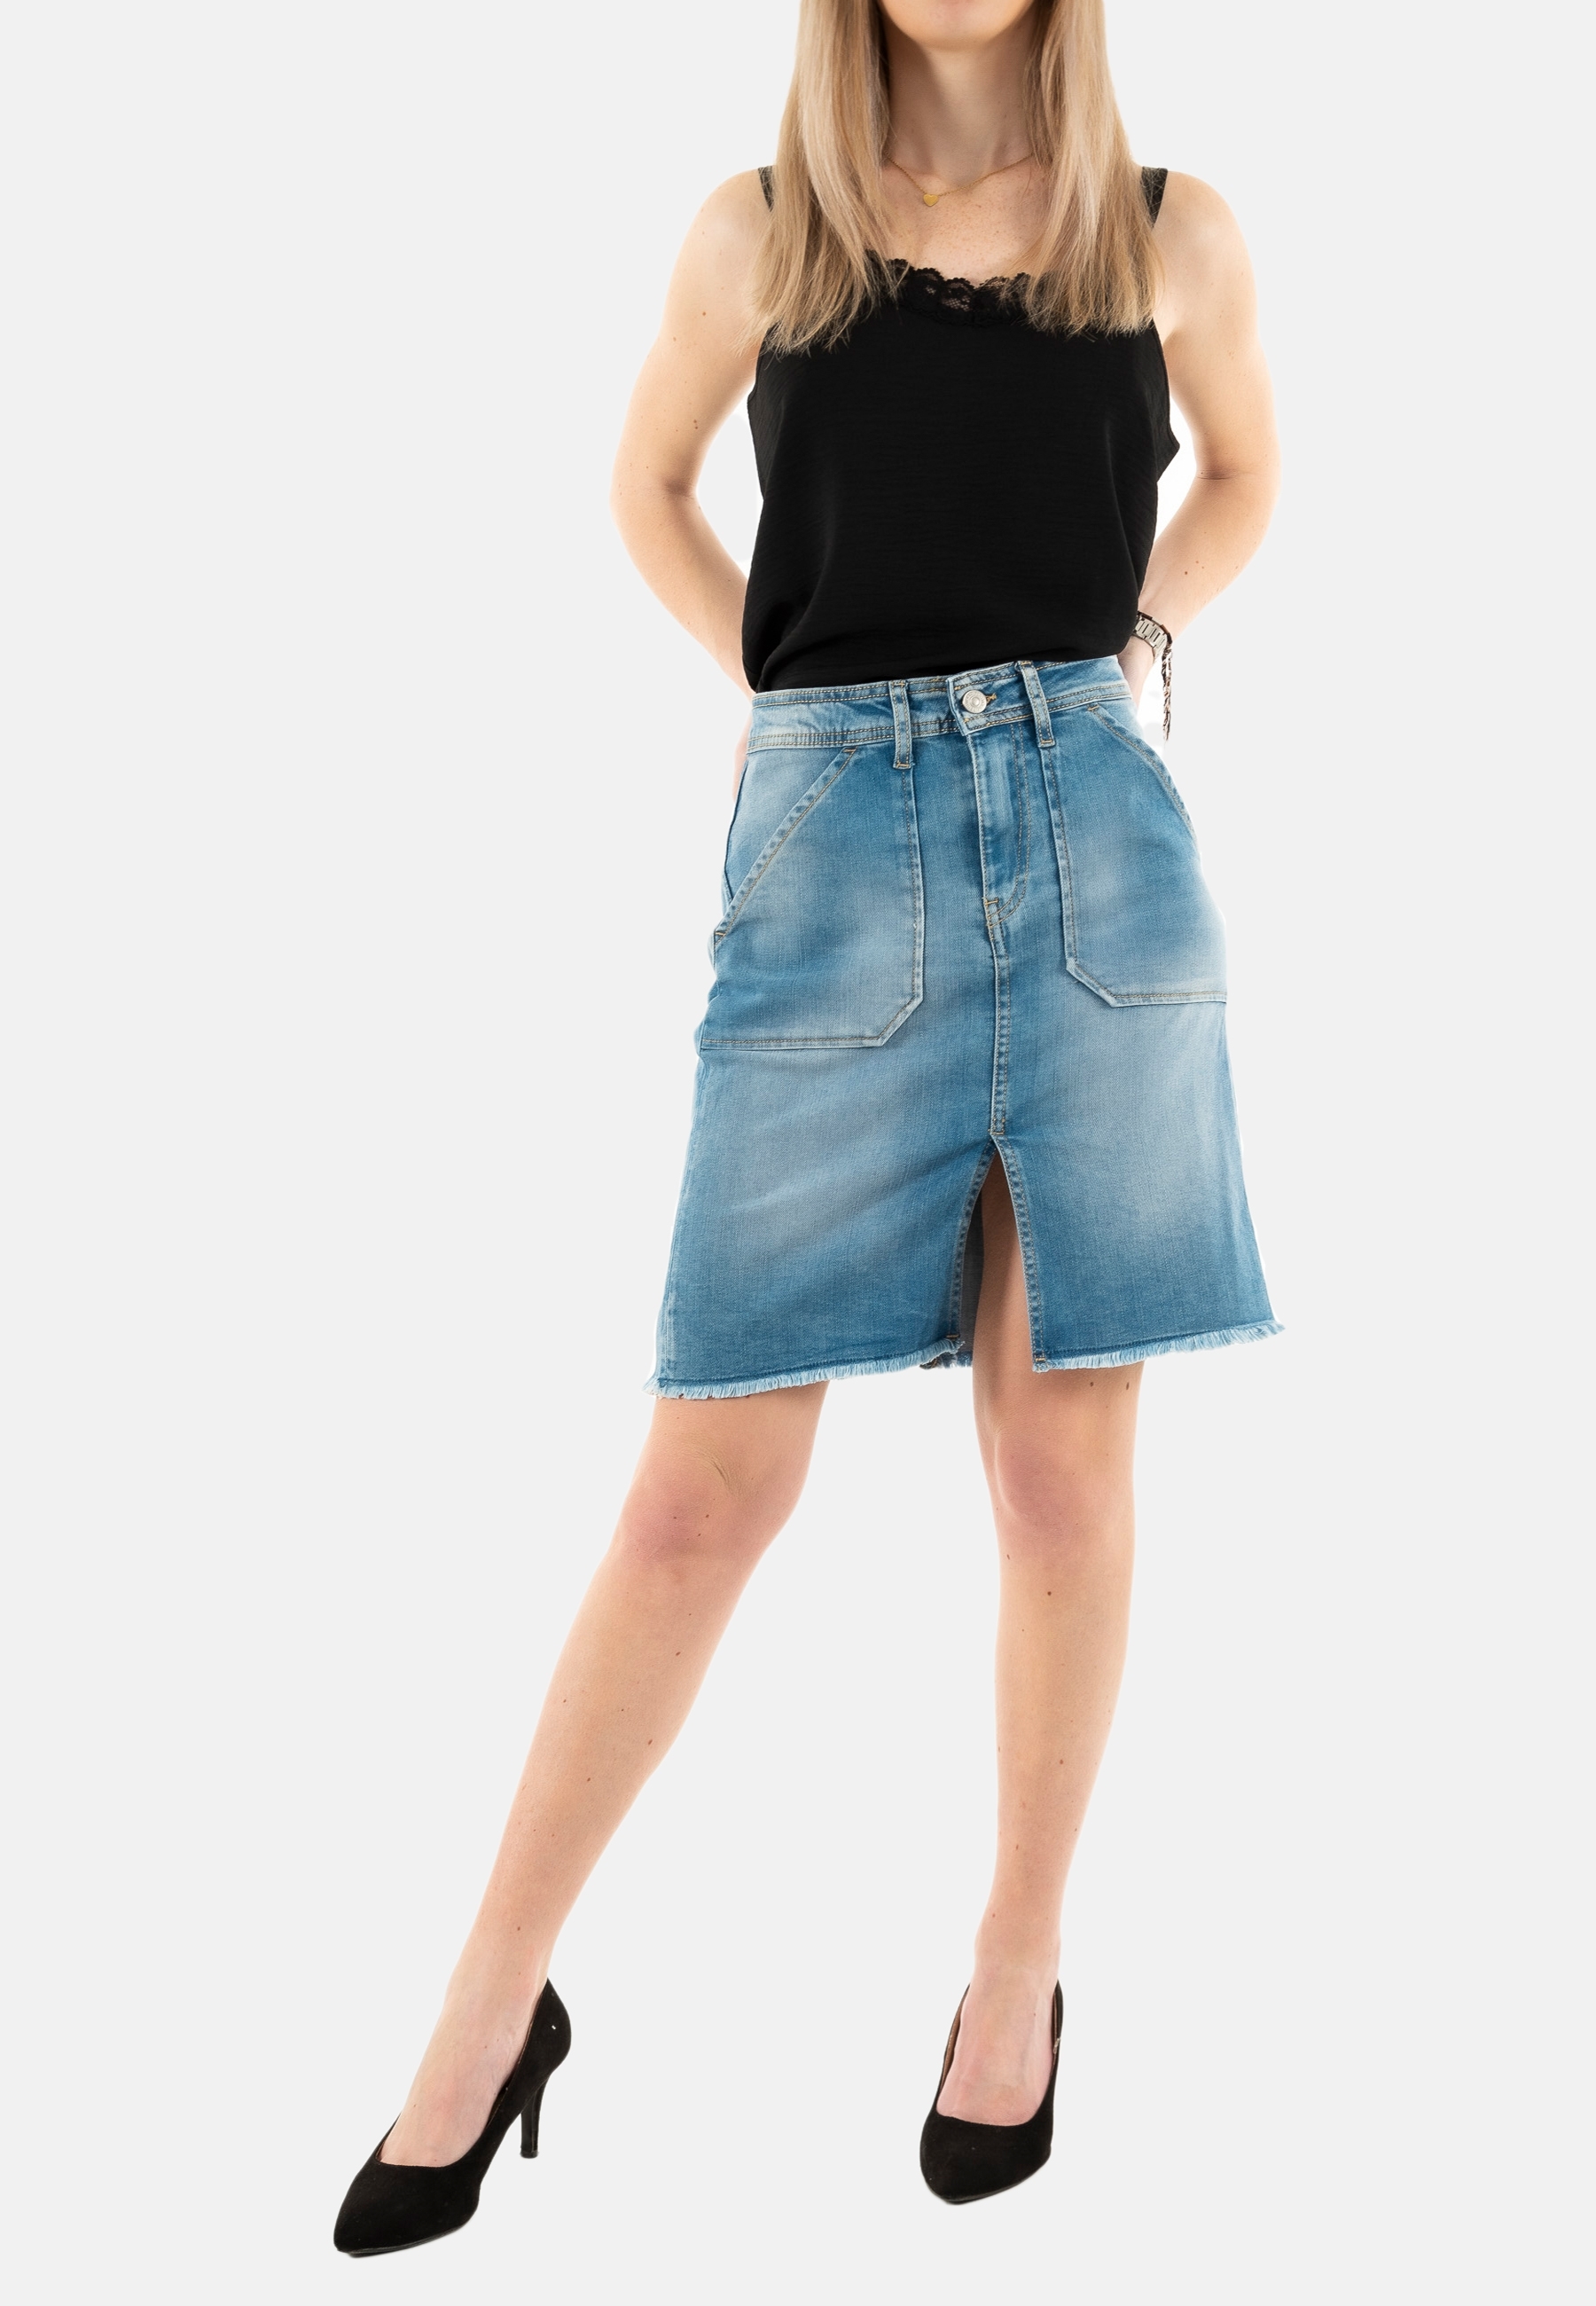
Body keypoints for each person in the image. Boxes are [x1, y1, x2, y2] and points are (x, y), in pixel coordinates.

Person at [334, 0, 1280, 2253]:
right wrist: (777, 682)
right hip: (830, 862)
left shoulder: (1171, 231)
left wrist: (1131, 643)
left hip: (1099, 851)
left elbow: (1251, 476)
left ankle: (1016, 1972)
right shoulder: (759, 236)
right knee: (700, 1493)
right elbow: (645, 490)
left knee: (1060, 1473)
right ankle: (490, 2002)